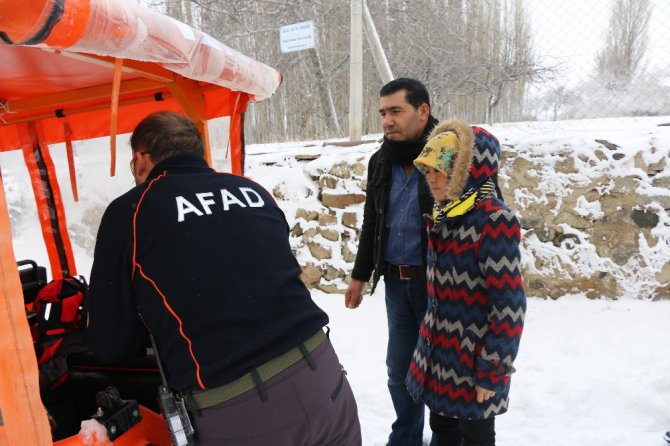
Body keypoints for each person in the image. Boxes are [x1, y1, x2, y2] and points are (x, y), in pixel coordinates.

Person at [85, 111, 361, 445]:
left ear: (141, 159)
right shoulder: (250, 190)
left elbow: (111, 343)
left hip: (240, 410)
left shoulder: (131, 211)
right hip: (323, 376)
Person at [406, 119, 526, 446]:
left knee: (476, 435)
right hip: (440, 358)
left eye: (439, 170)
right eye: (427, 170)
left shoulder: (493, 220)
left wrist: (493, 369)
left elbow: (510, 306)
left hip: (475, 364)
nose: (430, 178)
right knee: (442, 430)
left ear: (467, 170)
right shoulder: (446, 214)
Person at [344, 78, 439, 446]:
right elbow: (374, 221)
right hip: (397, 287)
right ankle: (406, 438)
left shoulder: (450, 156)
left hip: (439, 286)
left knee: (443, 371)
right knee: (399, 371)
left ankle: (446, 436)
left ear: (423, 111)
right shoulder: (380, 161)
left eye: (396, 111)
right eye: (383, 113)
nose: (387, 121)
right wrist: (359, 275)